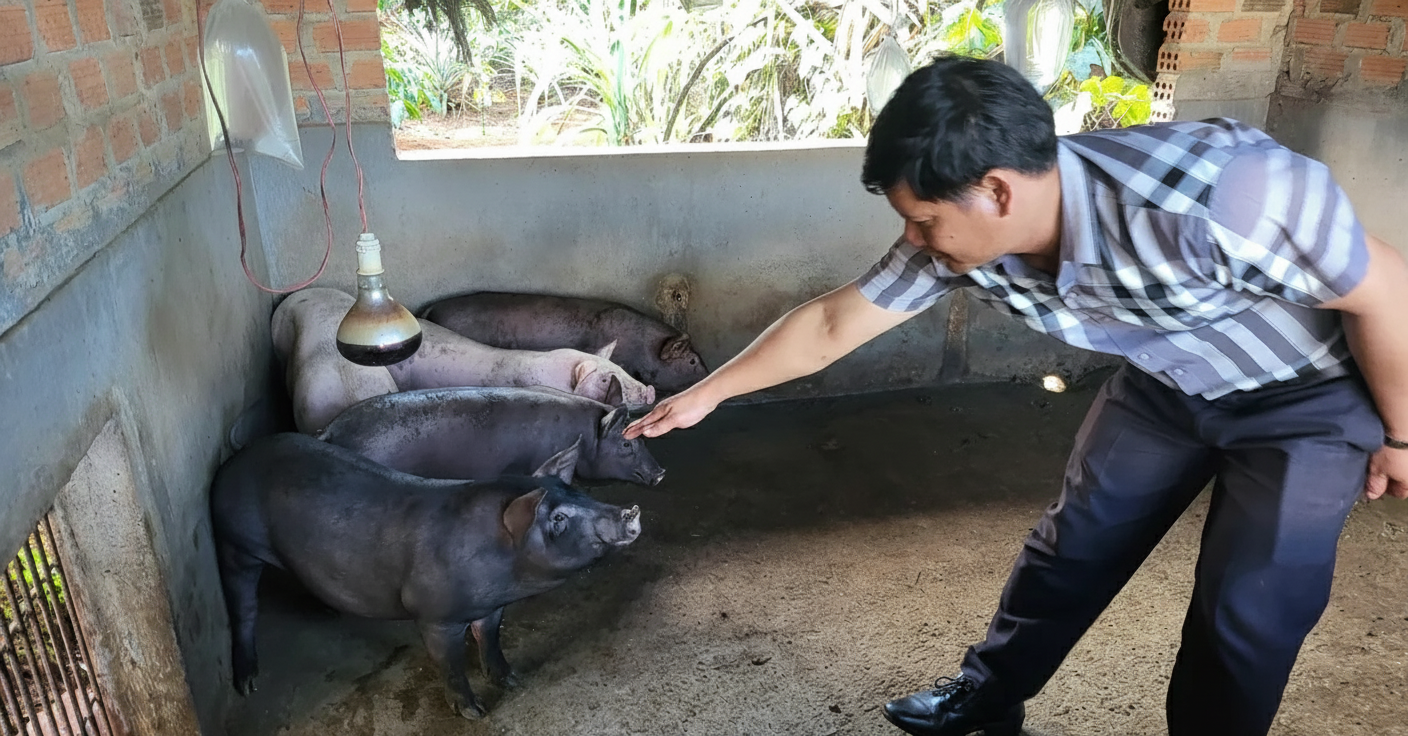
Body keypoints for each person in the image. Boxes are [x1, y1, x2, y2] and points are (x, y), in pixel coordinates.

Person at [623, 54, 1408, 736]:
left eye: (925, 221)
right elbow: (834, 321)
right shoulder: (962, 243)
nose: (918, 241)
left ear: (996, 190)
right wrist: (709, 394)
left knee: (1249, 606)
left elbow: (1388, 293)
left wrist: (1399, 436)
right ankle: (989, 693)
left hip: (1306, 399)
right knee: (1074, 543)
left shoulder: (1225, 193)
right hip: (1168, 385)